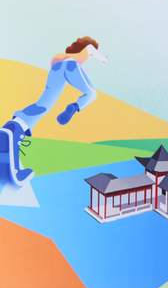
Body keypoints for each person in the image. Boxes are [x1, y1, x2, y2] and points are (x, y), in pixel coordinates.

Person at [1, 37, 108, 185]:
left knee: (44, 103)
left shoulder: (62, 58)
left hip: (56, 69)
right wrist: (102, 59)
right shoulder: (80, 56)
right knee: (91, 93)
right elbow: (90, 49)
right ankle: (74, 106)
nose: (89, 57)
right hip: (70, 67)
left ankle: (13, 126)